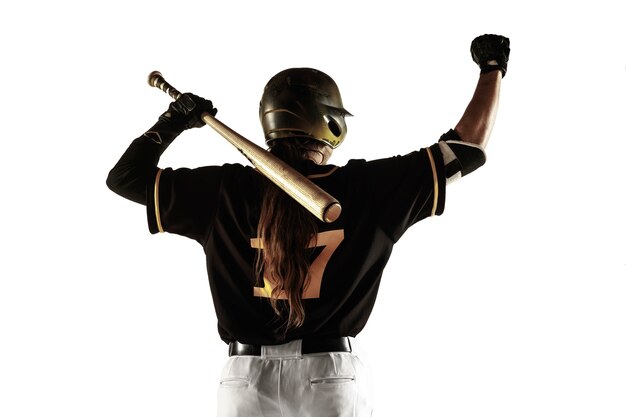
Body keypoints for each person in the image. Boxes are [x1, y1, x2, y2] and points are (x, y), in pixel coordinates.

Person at [106, 34, 510, 417]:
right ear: (332, 124)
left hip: (244, 378)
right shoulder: (370, 188)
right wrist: (492, 68)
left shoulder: (222, 190)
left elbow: (125, 178)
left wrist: (174, 119)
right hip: (329, 373)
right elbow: (467, 149)